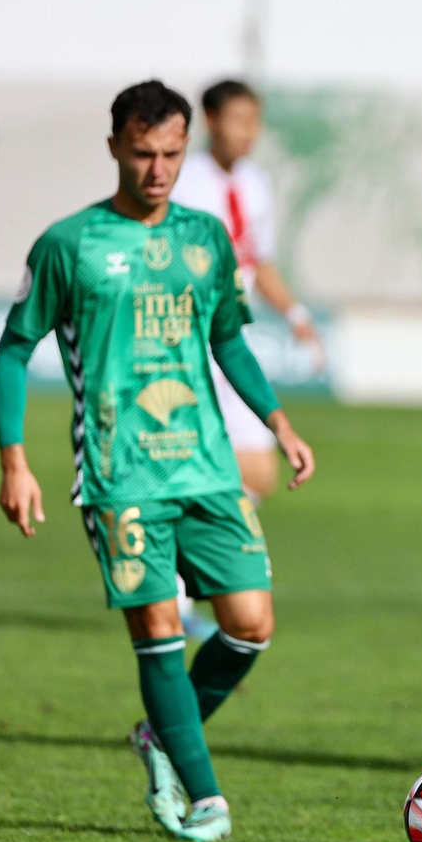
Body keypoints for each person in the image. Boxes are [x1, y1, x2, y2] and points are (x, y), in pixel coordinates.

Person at [0, 80, 315, 842]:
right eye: (143, 153)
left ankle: (163, 732)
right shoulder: (69, 244)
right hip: (118, 472)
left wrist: (278, 421)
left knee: (250, 625)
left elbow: (228, 339)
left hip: (205, 465)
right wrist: (14, 460)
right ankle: (206, 797)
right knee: (162, 627)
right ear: (114, 148)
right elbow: (12, 349)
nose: (158, 168)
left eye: (170, 152)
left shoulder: (205, 238)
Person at [169, 79, 321, 638]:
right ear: (210, 120)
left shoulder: (255, 184)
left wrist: (297, 315)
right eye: (238, 120)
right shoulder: (183, 178)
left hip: (230, 336)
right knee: (202, 461)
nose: (248, 132)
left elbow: (256, 264)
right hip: (186, 338)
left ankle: (193, 576)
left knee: (257, 470)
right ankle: (185, 594)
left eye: (255, 121)